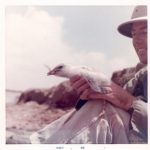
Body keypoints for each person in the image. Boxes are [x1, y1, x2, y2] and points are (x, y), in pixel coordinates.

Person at [30, 5, 147, 144]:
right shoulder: (140, 75)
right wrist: (91, 93)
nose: (136, 40)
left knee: (103, 109)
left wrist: (126, 101)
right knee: (99, 103)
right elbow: (115, 97)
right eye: (134, 34)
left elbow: (124, 100)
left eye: (145, 31)